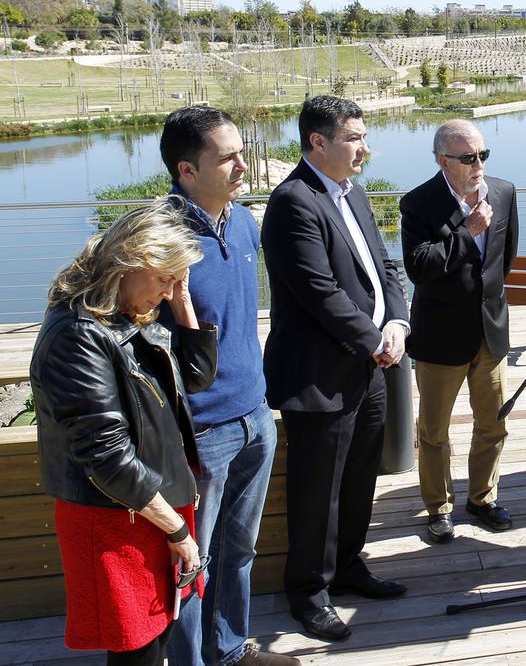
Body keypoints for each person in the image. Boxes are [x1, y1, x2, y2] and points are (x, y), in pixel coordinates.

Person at [29, 201, 216, 665]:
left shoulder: (122, 317)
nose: (169, 291)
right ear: (131, 263)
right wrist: (176, 529)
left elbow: (194, 376)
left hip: (147, 506)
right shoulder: (79, 334)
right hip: (118, 516)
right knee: (137, 649)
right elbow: (106, 455)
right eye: (164, 278)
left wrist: (182, 298)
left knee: (156, 637)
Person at [261, 96, 410, 642]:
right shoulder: (293, 202)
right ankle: (308, 591)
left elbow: (384, 266)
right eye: (353, 138)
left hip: (370, 365)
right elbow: (318, 291)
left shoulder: (355, 192)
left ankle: (348, 567)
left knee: (359, 477)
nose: (364, 148)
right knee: (316, 490)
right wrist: (375, 341)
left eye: (364, 137)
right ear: (317, 142)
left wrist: (397, 321)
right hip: (320, 373)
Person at [159, 108, 297, 666]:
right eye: (228, 157)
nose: (244, 164)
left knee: (239, 549)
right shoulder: (159, 238)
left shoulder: (242, 222)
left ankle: (230, 649)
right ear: (187, 170)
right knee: (192, 564)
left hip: (254, 414)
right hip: (199, 431)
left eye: (243, 151)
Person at [400, 119, 519, 545]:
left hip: (490, 332)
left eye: (483, 155)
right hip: (439, 337)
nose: (478, 165)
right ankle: (439, 507)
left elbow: (505, 260)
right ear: (442, 160)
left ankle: (483, 499)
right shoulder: (419, 203)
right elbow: (419, 266)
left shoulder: (503, 192)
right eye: (468, 158)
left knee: (493, 423)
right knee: (434, 431)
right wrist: (467, 233)